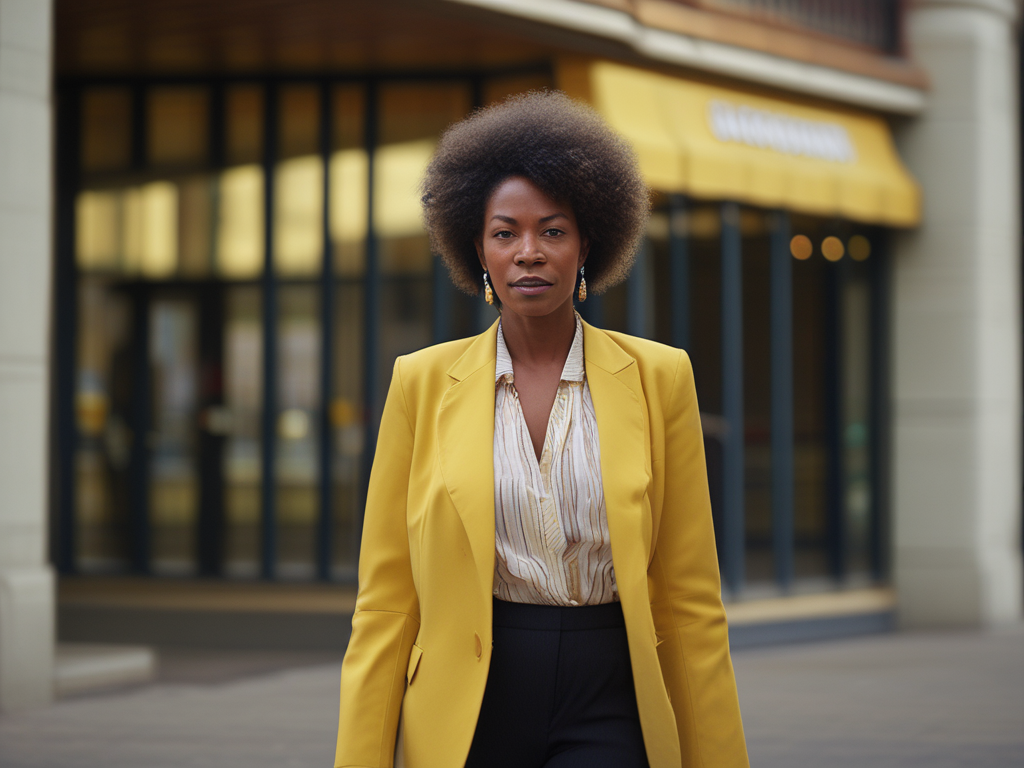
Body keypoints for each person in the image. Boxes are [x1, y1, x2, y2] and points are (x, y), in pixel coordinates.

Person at [334, 91, 749, 768]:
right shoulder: (420, 382)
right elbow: (385, 603)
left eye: (553, 231)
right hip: (469, 699)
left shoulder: (660, 377)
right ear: (478, 249)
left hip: (610, 690)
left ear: (588, 244)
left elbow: (690, 600)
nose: (529, 252)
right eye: (506, 233)